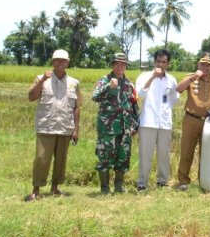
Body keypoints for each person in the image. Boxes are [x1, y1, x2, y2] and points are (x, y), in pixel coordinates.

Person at [25, 49, 81, 201]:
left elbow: (77, 107)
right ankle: (36, 189)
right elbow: (31, 97)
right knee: (42, 158)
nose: (60, 64)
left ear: (68, 63)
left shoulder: (74, 83)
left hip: (65, 127)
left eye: (63, 61)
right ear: (52, 62)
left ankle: (55, 187)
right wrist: (43, 79)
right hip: (46, 127)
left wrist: (76, 129)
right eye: (57, 60)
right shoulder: (41, 79)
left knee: (61, 160)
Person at [176, 52, 210, 191]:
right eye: (203, 64)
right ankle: (183, 181)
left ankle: (204, 182)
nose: (205, 67)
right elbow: (178, 89)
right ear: (198, 65)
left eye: (208, 65)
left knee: (207, 154)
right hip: (191, 119)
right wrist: (194, 77)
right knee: (187, 151)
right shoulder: (190, 78)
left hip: (209, 122)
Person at [92, 53, 139, 194]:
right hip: (108, 128)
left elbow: (133, 106)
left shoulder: (128, 84)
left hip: (125, 128)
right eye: (117, 64)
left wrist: (134, 125)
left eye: (123, 64)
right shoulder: (104, 80)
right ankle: (105, 188)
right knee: (105, 157)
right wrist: (108, 86)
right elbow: (95, 97)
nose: (120, 66)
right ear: (112, 65)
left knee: (123, 158)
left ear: (126, 66)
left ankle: (119, 186)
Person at [135, 49, 180, 191]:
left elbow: (175, 99)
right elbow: (140, 94)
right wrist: (153, 76)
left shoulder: (171, 79)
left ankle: (162, 181)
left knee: (164, 154)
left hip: (165, 122)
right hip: (148, 121)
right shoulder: (144, 76)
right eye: (158, 61)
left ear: (168, 63)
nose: (161, 64)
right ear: (154, 62)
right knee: (145, 154)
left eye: (164, 62)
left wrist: (165, 110)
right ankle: (142, 183)